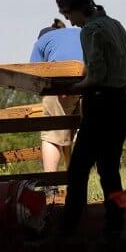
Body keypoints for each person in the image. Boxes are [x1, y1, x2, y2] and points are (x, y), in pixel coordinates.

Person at [55, 0, 126, 242]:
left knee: (78, 170)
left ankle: (68, 228)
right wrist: (119, 65)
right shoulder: (114, 24)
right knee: (110, 170)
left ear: (80, 9)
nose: (69, 20)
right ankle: (117, 223)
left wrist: (74, 87)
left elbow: (97, 75)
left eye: (68, 14)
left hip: (100, 105)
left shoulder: (90, 30)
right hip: (121, 105)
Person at [30, 18, 84, 174]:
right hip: (91, 83)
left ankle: (51, 185)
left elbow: (34, 75)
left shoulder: (42, 41)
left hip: (59, 85)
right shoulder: (79, 32)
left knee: (52, 135)